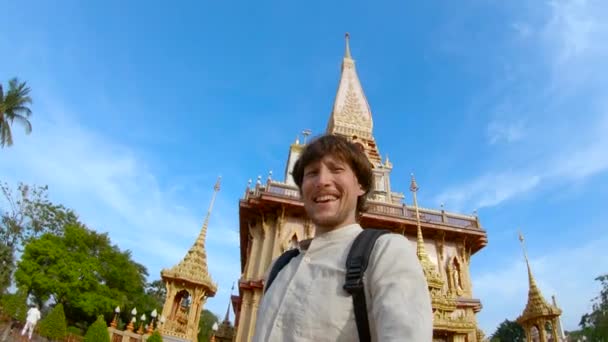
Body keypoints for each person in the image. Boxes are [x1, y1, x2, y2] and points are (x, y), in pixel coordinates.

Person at [252, 134, 433, 341]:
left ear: (361, 185)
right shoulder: (279, 269)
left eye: (336, 169)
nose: (322, 181)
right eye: (311, 173)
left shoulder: (385, 253)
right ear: (301, 190)